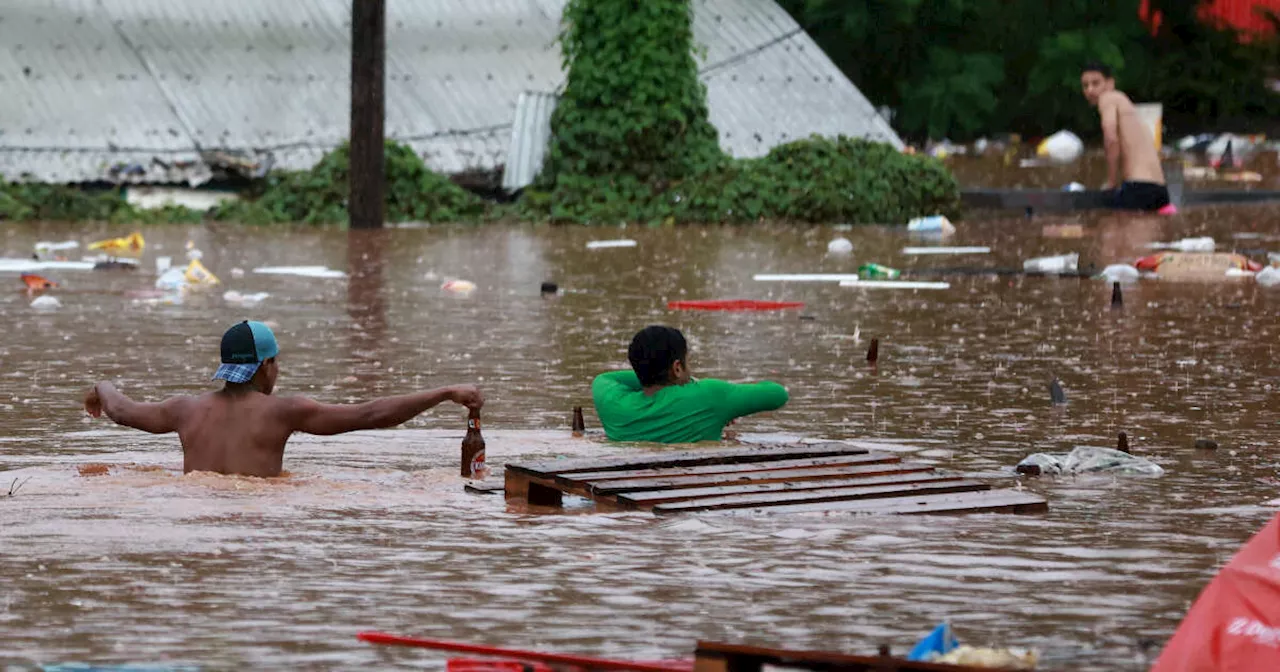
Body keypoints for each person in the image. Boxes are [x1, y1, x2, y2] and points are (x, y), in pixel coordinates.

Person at [82, 320, 483, 478]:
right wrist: (444, 392)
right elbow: (372, 414)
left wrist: (101, 386)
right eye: (276, 363)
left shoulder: (184, 409)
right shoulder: (284, 411)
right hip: (259, 517)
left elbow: (120, 410)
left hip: (196, 512)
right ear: (265, 366)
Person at [591, 325, 788, 443]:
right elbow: (778, 394)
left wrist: (647, 374)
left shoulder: (612, 402)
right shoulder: (709, 396)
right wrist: (708, 395)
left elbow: (607, 378)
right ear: (677, 367)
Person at [1080, 62, 1170, 212]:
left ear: (1110, 84)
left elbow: (1111, 138)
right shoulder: (1129, 108)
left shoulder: (1108, 98)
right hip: (1160, 190)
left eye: (1096, 83)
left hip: (1139, 188)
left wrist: (1111, 182)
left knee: (1107, 229)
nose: (1090, 90)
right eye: (1085, 85)